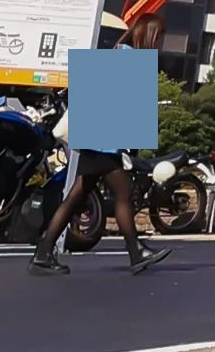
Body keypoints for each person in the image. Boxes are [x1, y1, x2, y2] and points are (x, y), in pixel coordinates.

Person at [28, 17, 160, 276]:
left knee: (76, 195)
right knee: (122, 196)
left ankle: (43, 252)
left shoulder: (114, 54)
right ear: (150, 36)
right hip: (106, 145)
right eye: (160, 36)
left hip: (95, 141)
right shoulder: (133, 62)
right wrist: (127, 149)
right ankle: (136, 252)